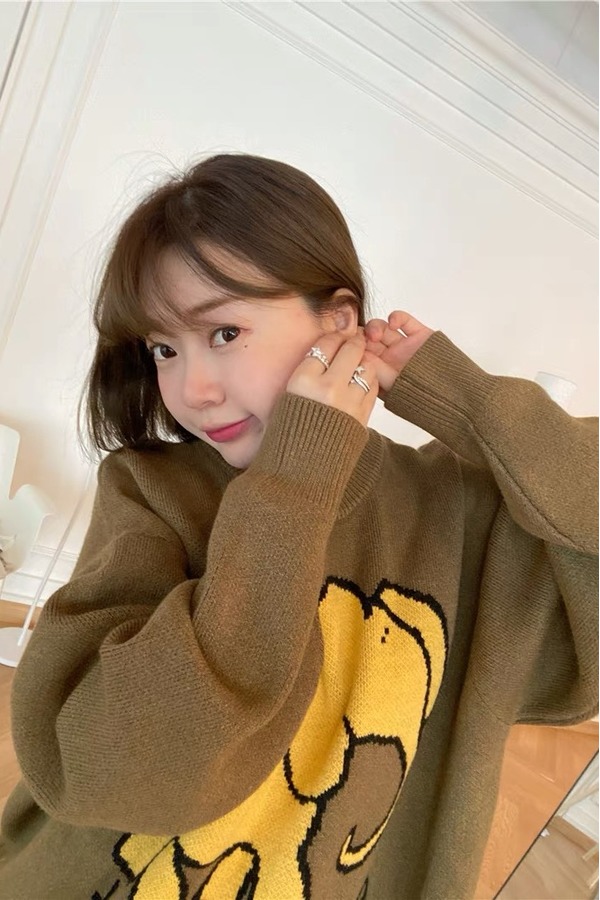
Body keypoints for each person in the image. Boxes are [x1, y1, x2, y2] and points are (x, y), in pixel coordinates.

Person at [0, 153, 597, 900]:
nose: (192, 388)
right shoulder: (152, 489)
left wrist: (467, 399)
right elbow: (91, 768)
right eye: (163, 349)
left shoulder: (456, 513)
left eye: (224, 332)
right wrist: (294, 485)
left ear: (338, 323)